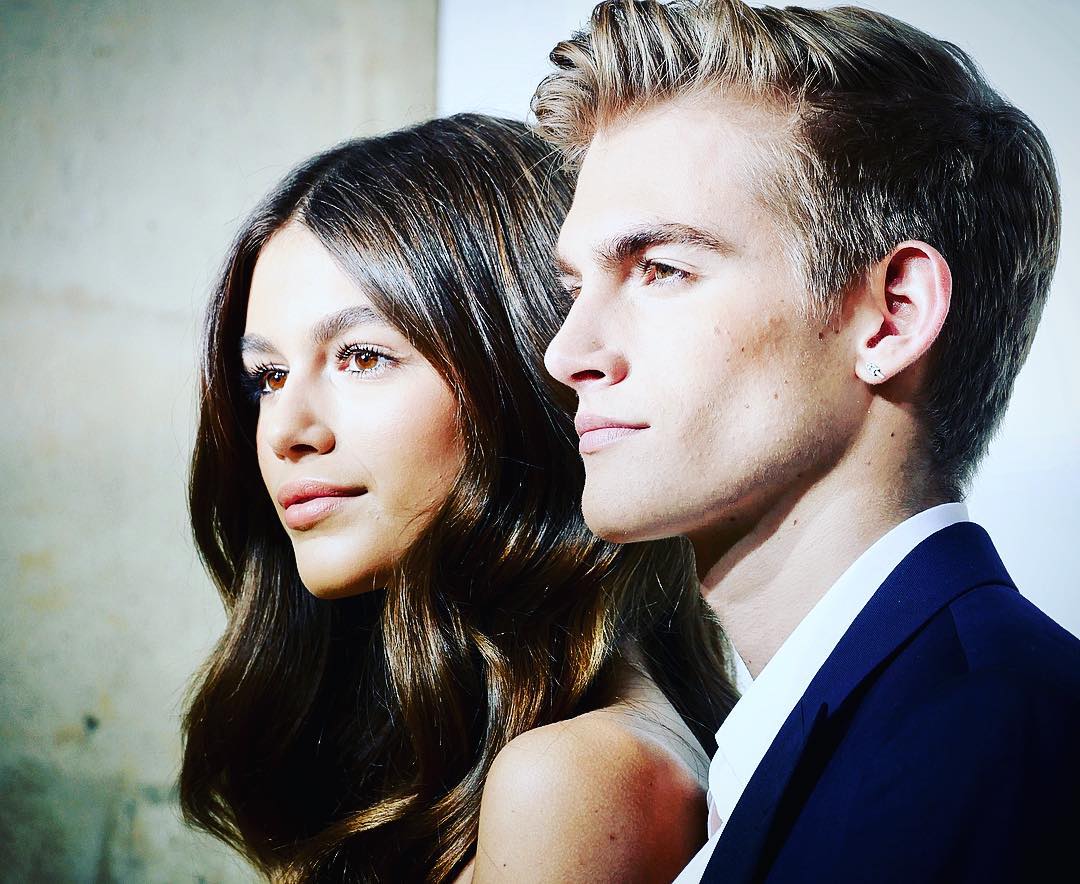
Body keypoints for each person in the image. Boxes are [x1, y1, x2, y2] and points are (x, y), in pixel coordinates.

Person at [532, 1, 1080, 881]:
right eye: (575, 287)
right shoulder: (838, 735)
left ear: (891, 316)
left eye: (661, 269)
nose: (567, 354)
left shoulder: (985, 748)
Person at [179, 113, 737, 883]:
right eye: (268, 377)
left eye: (361, 357)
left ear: (519, 373)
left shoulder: (573, 779)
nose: (285, 431)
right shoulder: (462, 745)